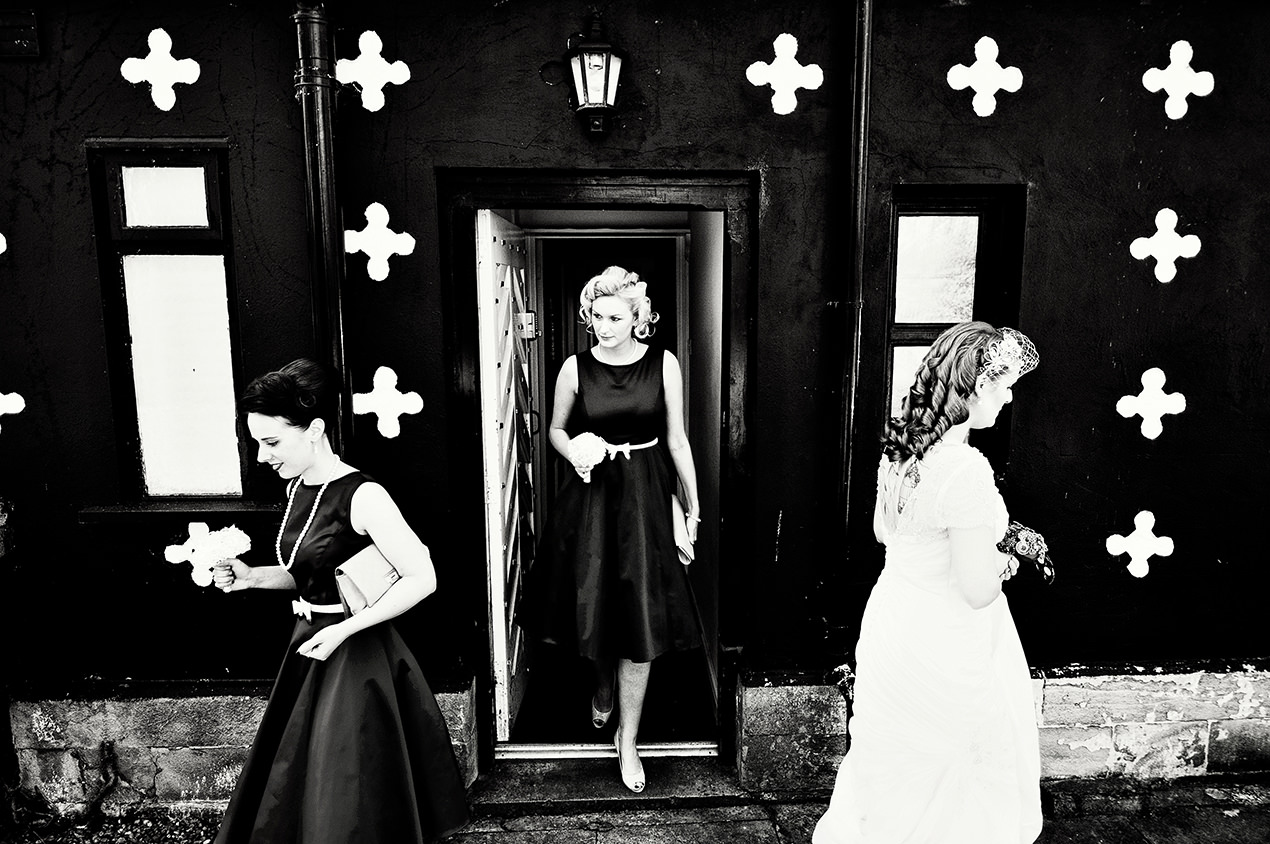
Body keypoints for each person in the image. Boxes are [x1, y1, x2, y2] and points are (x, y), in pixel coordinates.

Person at [210, 358, 469, 843]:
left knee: (345, 790)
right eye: (257, 443)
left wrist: (345, 630)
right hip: (310, 648)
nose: (263, 457)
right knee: (301, 782)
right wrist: (252, 578)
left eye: (271, 443)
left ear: (314, 430)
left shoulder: (364, 494)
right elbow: (310, 576)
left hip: (356, 657)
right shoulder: (298, 488)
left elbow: (423, 577)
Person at [813, 322, 1043, 844]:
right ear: (979, 386)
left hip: (894, 621)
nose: (1008, 399)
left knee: (893, 758)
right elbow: (977, 588)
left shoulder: (900, 453)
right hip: (944, 637)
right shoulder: (964, 468)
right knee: (953, 765)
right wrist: (1005, 560)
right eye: (1005, 385)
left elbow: (883, 531)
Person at [519, 266, 701, 793]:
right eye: (596, 316)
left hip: (644, 494)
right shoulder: (574, 369)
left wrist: (692, 508)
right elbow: (553, 429)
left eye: (615, 317)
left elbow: (678, 441)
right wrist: (572, 445)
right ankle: (601, 685)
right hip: (592, 496)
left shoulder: (663, 364)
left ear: (639, 317)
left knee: (639, 617)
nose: (602, 326)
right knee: (594, 603)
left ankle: (629, 741)